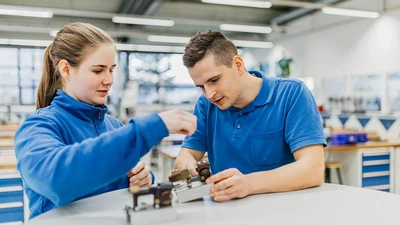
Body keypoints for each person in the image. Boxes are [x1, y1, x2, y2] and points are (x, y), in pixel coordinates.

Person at [14, 22, 197, 219]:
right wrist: (148, 130)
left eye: (111, 69)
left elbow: (122, 181)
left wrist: (143, 178)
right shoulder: (38, 127)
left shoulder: (113, 125)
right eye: (98, 70)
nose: (109, 79)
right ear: (66, 70)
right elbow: (56, 180)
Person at [174, 31, 327, 202]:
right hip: (226, 209)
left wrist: (248, 184)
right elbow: (187, 153)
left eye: (214, 80)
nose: (209, 94)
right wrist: (186, 163)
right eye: (201, 86)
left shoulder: (292, 94)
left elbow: (313, 170)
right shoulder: (206, 105)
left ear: (238, 65)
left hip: (284, 208)